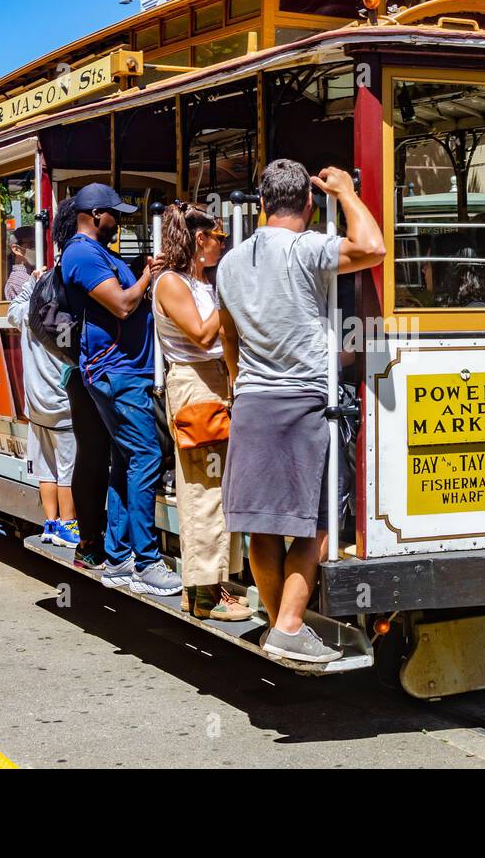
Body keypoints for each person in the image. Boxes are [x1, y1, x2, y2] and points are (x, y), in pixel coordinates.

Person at [216, 160, 385, 663]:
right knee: (316, 523)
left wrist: (239, 383)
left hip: (251, 402)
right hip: (301, 402)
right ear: (309, 207)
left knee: (261, 524)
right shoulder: (306, 247)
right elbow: (372, 248)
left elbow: (228, 335)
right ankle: (289, 625)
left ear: (263, 203)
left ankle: (278, 626)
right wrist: (349, 193)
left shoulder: (230, 262)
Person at [62, 183, 182, 595]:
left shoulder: (98, 253)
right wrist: (151, 273)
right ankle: (147, 563)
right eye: (115, 213)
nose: (120, 219)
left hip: (123, 371)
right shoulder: (80, 253)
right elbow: (123, 304)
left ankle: (117, 557)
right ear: (95, 215)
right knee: (147, 456)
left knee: (125, 459)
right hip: (117, 373)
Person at [153, 201, 253, 622]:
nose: (221, 246)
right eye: (219, 238)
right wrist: (230, 291)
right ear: (200, 239)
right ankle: (206, 595)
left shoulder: (197, 281)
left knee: (218, 486)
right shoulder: (171, 283)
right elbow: (200, 334)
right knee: (202, 490)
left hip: (212, 380)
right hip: (194, 382)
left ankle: (208, 588)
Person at [51, 198, 113, 572]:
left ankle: (91, 540)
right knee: (94, 455)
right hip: (88, 370)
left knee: (90, 453)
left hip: (77, 370)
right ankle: (90, 541)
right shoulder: (81, 258)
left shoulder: (66, 257)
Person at [6, 255, 79, 549]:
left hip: (35, 407)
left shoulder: (27, 314)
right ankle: (68, 524)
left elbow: (12, 309)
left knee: (47, 468)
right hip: (62, 407)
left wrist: (34, 282)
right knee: (68, 470)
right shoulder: (63, 320)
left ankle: (50, 523)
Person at [4, 226, 35, 301]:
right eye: (32, 244)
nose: (36, 248)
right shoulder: (18, 280)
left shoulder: (30, 274)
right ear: (16, 249)